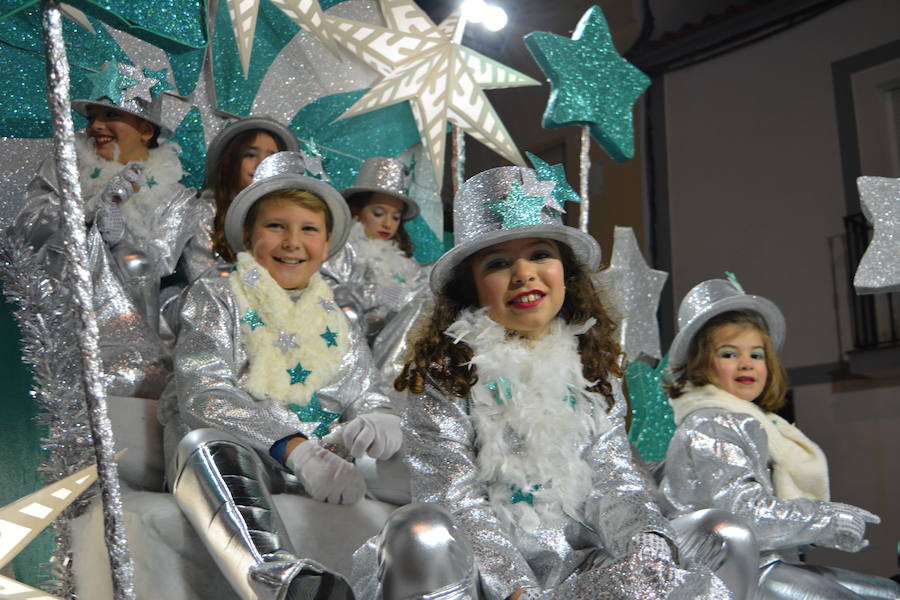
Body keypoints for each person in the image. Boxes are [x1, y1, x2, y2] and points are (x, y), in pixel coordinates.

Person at [352, 167, 741, 600]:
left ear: (566, 273)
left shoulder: (595, 371)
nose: (524, 274)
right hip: (484, 579)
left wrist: (646, 547)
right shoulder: (445, 377)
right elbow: (453, 498)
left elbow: (615, 482)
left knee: (719, 534)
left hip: (576, 570)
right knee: (419, 529)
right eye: (499, 263)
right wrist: (517, 589)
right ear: (473, 288)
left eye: (539, 255)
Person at [161, 152, 402, 600]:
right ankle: (285, 583)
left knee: (414, 447)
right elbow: (204, 393)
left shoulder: (339, 320)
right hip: (248, 454)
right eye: (276, 226)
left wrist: (378, 418)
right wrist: (295, 451)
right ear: (249, 237)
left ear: (327, 244)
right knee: (204, 446)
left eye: (308, 229)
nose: (293, 241)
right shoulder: (218, 295)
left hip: (331, 464)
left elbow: (365, 390)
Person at [660, 277, 900, 600]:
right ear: (702, 363)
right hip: (728, 576)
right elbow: (744, 514)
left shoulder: (759, 424)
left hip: (765, 562)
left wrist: (826, 527)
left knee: (888, 592)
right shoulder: (714, 422)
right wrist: (828, 519)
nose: (746, 363)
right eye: (729, 354)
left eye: (756, 355)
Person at [9, 60, 207, 403]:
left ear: (146, 129)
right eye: (91, 117)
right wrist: (87, 210)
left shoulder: (178, 199)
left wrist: (118, 237)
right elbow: (28, 227)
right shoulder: (64, 168)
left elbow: (153, 267)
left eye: (110, 115)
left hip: (121, 351)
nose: (96, 126)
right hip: (45, 327)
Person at [322, 157, 429, 346]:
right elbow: (326, 296)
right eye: (378, 213)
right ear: (356, 211)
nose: (387, 224)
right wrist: (376, 293)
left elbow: (421, 298)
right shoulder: (339, 251)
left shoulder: (408, 264)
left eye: (396, 217)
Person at [201, 116, 299, 262]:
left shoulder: (295, 216)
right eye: (251, 155)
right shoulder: (206, 212)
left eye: (271, 158)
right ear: (231, 161)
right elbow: (199, 275)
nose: (261, 164)